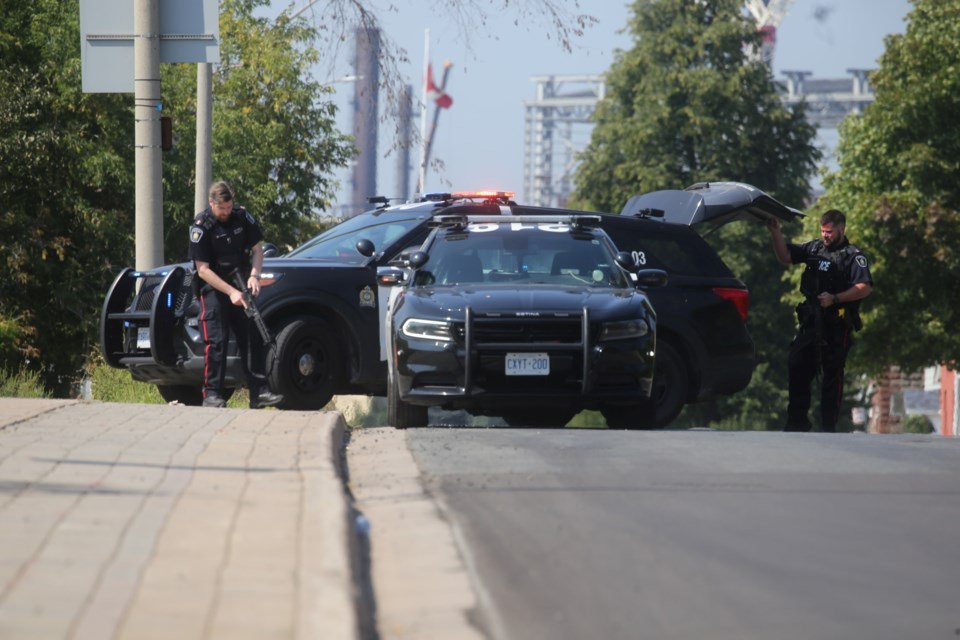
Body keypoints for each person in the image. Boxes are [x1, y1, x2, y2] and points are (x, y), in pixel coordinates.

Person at [767, 209, 872, 432]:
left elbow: (864, 287)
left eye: (830, 232)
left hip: (837, 323)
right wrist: (775, 232)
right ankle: (797, 421)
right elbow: (785, 256)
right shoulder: (814, 248)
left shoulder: (853, 255)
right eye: (823, 231)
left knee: (832, 375)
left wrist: (835, 298)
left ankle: (828, 427)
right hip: (811, 319)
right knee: (797, 364)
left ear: (842, 229)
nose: (825, 236)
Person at [188, 181, 283, 409]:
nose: (226, 213)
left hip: (241, 284)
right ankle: (212, 395)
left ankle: (259, 393)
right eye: (222, 209)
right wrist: (230, 292)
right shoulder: (202, 226)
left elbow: (257, 250)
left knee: (251, 337)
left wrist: (254, 276)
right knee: (217, 340)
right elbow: (203, 270)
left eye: (229, 208)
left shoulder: (241, 217)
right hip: (213, 288)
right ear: (212, 203)